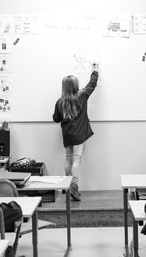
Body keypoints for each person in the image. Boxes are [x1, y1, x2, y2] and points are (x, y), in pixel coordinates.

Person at [52, 64, 99, 201]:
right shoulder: (82, 96)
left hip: (67, 135)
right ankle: (74, 187)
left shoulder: (60, 102)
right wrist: (95, 71)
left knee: (68, 159)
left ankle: (67, 187)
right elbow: (92, 84)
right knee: (76, 160)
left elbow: (56, 119)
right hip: (79, 135)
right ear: (75, 86)